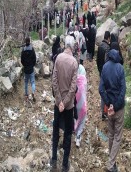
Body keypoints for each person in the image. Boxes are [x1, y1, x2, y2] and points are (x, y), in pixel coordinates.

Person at [51, 35, 78, 172]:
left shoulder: (58, 58)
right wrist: (65, 102)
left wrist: (59, 100)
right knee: (68, 133)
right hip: (68, 106)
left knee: (56, 130)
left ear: (64, 44)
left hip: (58, 103)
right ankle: (64, 164)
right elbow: (73, 88)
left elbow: (54, 81)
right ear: (72, 46)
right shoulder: (74, 62)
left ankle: (53, 158)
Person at [99, 49, 126, 172]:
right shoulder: (120, 68)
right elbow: (123, 91)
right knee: (117, 136)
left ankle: (112, 162)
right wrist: (115, 106)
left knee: (110, 134)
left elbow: (101, 89)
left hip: (109, 107)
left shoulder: (105, 67)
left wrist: (108, 103)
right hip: (118, 108)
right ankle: (111, 164)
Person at [96, 31, 111, 120]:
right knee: (106, 93)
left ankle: (103, 112)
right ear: (108, 38)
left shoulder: (100, 46)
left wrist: (99, 71)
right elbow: (107, 62)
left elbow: (97, 61)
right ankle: (105, 113)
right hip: (106, 74)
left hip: (101, 72)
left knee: (102, 92)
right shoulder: (107, 48)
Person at [74, 64, 87, 147]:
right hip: (82, 101)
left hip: (74, 100)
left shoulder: (72, 79)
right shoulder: (82, 70)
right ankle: (78, 137)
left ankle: (73, 130)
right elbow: (85, 88)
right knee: (82, 118)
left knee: (74, 116)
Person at [21, 37, 37, 102]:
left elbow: (22, 60)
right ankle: (33, 92)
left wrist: (25, 65)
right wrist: (32, 65)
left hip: (26, 69)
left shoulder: (23, 50)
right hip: (31, 69)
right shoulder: (32, 49)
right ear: (29, 41)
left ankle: (26, 95)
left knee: (26, 83)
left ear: (25, 41)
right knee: (32, 82)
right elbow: (34, 59)